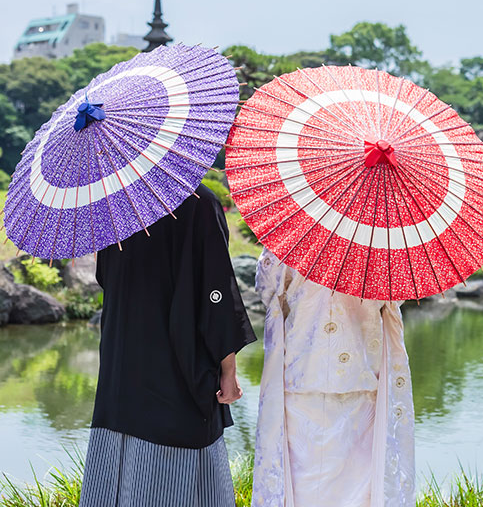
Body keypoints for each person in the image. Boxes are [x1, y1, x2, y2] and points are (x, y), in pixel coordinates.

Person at [79, 183, 256, 507]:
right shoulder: (199, 202)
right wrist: (228, 369)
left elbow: (106, 277)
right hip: (176, 369)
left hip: (121, 370)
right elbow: (215, 293)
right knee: (183, 477)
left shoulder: (112, 203)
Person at [251, 248, 416, 507]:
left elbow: (266, 287)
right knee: (357, 486)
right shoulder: (382, 239)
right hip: (360, 373)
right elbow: (396, 298)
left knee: (303, 479)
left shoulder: (298, 233)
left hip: (304, 368)